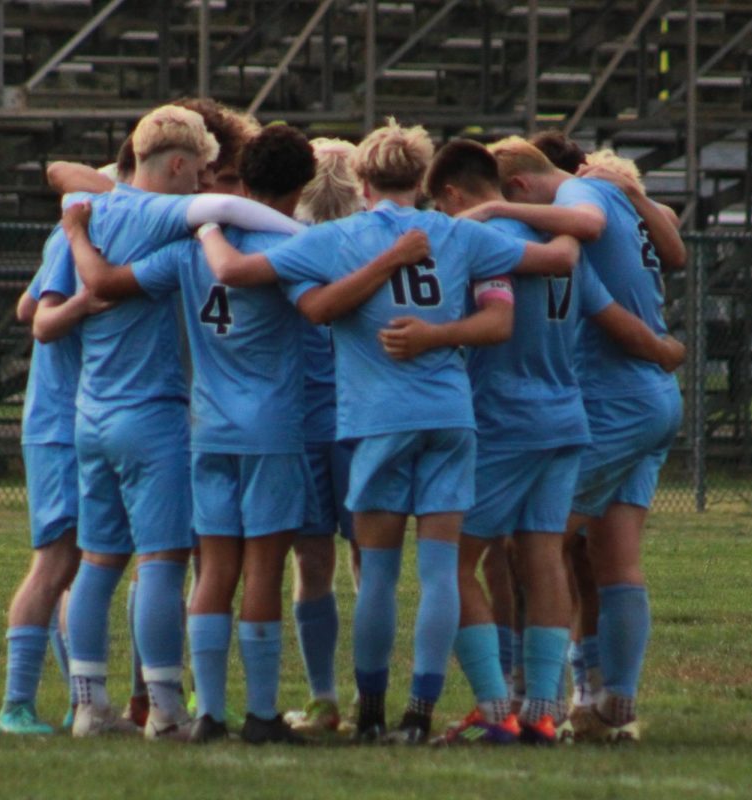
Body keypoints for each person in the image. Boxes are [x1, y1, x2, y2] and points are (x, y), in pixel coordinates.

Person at [196, 118, 581, 744]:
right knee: (436, 571)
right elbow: (557, 258)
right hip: (452, 418)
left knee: (376, 573)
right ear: (423, 178)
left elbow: (243, 275)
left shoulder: (339, 237)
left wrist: (206, 219)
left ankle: (371, 710)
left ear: (361, 178)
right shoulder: (454, 233)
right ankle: (419, 714)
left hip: (378, 420)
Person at [387, 139, 682, 745]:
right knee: (544, 555)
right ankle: (544, 709)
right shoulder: (563, 248)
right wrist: (661, 351)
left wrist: (430, 336)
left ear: (454, 195)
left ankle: (497, 707)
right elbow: (613, 311)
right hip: (567, 418)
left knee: (454, 561)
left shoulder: (481, 241)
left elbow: (486, 322)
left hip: (505, 422)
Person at [49, 105, 304, 739]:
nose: (206, 187)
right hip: (153, 415)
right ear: (184, 164)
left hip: (91, 414)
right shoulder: (168, 216)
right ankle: (165, 708)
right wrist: (310, 237)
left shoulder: (92, 210)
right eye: (204, 173)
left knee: (98, 562)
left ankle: (87, 704)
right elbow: (235, 213)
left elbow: (63, 178)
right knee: (162, 562)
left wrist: (79, 230)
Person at [484, 136, 686, 743]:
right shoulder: (614, 192)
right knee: (612, 556)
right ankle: (610, 703)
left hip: (614, 399)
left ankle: (527, 696)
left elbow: (587, 231)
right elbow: (673, 247)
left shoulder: (578, 195)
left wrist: (494, 212)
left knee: (532, 546)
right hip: (649, 398)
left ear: (519, 186)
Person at [0, 233, 108, 735]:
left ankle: (76, 704)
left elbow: (24, 304)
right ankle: (15, 706)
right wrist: (84, 301)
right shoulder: (77, 237)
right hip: (61, 427)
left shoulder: (75, 240)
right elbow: (37, 320)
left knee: (74, 566)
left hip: (72, 421)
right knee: (55, 562)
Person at [283, 138, 367, 737]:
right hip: (364, 422)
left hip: (309, 421)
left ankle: (324, 699)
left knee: (313, 562)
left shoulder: (286, 239)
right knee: (373, 563)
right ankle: (370, 697)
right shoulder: (377, 239)